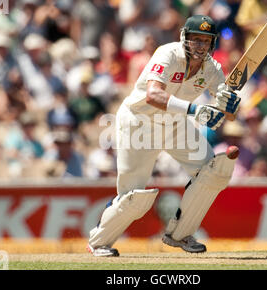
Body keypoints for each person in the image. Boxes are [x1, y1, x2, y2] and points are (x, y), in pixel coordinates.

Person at [87, 15, 241, 257]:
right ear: (184, 38)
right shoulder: (167, 54)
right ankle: (98, 242)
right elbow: (153, 95)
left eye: (206, 40)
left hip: (174, 124)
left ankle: (181, 235)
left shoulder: (212, 69)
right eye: (195, 39)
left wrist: (229, 104)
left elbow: (227, 115)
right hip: (139, 123)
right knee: (133, 196)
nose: (200, 45)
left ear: (212, 44)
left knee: (214, 172)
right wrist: (195, 109)